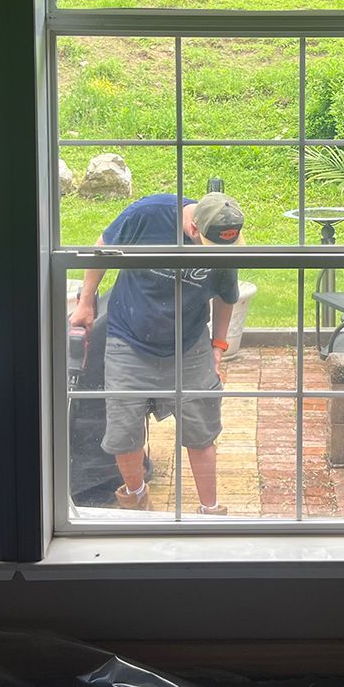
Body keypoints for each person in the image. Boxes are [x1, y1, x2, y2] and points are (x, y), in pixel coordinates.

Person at [68, 190, 245, 513]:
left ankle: (211, 512)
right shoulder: (148, 214)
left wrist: (218, 346)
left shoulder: (223, 243)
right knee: (124, 432)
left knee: (201, 430)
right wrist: (86, 303)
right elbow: (102, 249)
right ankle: (136, 502)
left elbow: (226, 297)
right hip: (129, 337)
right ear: (193, 228)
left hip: (189, 342)